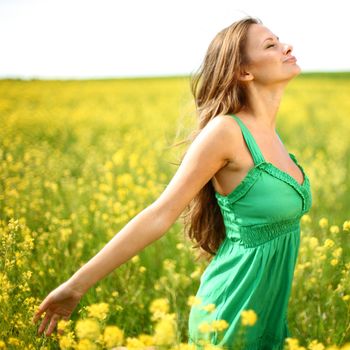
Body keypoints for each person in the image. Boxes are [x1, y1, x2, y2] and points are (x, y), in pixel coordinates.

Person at [32, 16, 312, 349]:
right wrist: (75, 287)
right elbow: (159, 214)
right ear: (244, 71)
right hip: (231, 309)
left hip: (267, 313)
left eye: (280, 40)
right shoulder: (225, 132)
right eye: (271, 45)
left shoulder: (273, 135)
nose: (287, 46)